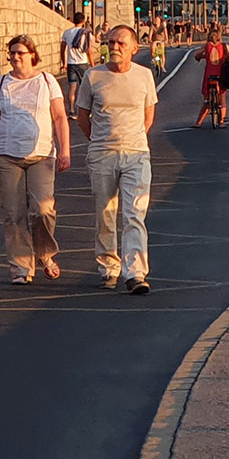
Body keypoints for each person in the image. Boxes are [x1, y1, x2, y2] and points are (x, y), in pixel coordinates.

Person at [72, 24, 157, 293]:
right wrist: (98, 142)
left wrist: (134, 139)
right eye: (110, 43)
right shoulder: (93, 76)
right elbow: (82, 116)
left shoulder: (144, 75)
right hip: (102, 155)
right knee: (105, 214)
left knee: (134, 214)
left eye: (120, 43)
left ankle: (135, 273)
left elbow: (148, 115)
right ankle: (109, 267)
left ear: (134, 48)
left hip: (136, 154)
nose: (114, 48)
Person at [0, 34, 69, 283]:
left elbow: (60, 117)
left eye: (21, 52)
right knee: (14, 213)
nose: (16, 57)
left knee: (43, 209)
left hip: (41, 154)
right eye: (12, 53)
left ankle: (45, 253)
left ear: (32, 54)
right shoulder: (1, 83)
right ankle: (20, 268)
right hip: (6, 155)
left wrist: (65, 150)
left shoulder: (46, 80)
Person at [195, 29, 229, 128]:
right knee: (222, 98)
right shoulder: (223, 46)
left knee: (206, 99)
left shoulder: (207, 46)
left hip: (209, 75)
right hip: (220, 74)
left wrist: (203, 55)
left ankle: (198, 122)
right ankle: (221, 122)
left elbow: (196, 55)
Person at [60, 11, 96, 87]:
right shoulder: (86, 33)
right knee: (84, 86)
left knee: (72, 87)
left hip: (71, 63)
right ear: (83, 21)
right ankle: (81, 99)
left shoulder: (67, 32)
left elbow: (62, 49)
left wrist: (64, 63)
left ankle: (71, 99)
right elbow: (89, 51)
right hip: (83, 62)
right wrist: (92, 64)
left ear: (73, 20)